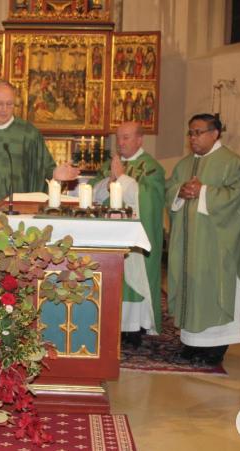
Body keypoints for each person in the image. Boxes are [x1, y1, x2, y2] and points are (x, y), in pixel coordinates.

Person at [166, 114, 240, 367]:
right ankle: (191, 342)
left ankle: (216, 346)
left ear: (215, 133)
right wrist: (179, 192)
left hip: (216, 244)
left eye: (199, 132)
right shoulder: (184, 164)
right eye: (191, 133)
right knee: (191, 286)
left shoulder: (231, 162)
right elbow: (170, 188)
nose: (193, 138)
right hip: (188, 244)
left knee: (213, 286)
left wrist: (203, 191)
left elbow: (237, 196)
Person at [88, 122, 164, 347]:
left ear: (140, 139)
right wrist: (108, 181)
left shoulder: (151, 167)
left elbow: (151, 199)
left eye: (126, 137)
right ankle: (112, 326)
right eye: (119, 138)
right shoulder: (110, 165)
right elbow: (92, 193)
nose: (121, 143)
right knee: (113, 275)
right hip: (110, 233)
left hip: (136, 234)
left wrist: (122, 179)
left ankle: (134, 328)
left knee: (133, 278)